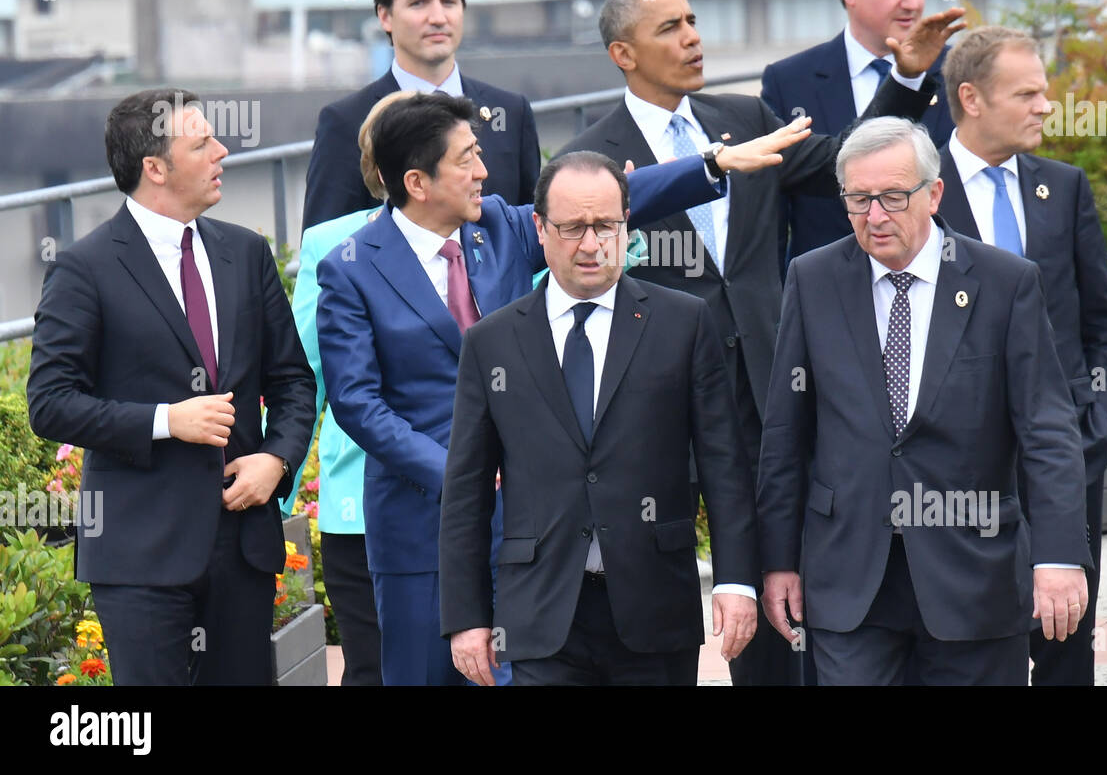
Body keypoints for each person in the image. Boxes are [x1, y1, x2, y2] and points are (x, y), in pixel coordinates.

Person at [315, 91, 808, 685]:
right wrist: (460, 471)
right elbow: (357, 402)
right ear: (417, 182)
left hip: (536, 530)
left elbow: (590, 206)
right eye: (467, 158)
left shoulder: (497, 225)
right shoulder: (351, 265)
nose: (484, 171)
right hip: (422, 523)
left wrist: (710, 165)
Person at [560, 0, 957, 686]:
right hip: (662, 410)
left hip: (774, 386)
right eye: (669, 28)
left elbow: (848, 158)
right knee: (676, 593)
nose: (693, 37)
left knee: (789, 575)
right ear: (623, 52)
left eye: (693, 20)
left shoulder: (744, 117)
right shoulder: (593, 157)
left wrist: (906, 77)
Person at [757, 116, 1093, 686]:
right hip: (849, 579)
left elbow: (1047, 429)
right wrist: (779, 561)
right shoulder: (812, 280)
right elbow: (787, 433)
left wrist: (1058, 556)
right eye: (858, 199)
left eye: (892, 196)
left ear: (934, 194)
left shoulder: (1005, 283)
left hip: (973, 577)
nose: (875, 216)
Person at [27, 88, 317, 685]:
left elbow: (292, 380)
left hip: (242, 546)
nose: (222, 151)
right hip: (140, 554)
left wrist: (277, 460)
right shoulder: (85, 269)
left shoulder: (247, 252)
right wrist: (166, 419)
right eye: (201, 143)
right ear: (154, 169)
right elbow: (50, 402)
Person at [440, 151, 760, 686]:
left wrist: (736, 582)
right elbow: (467, 488)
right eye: (572, 228)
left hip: (655, 606)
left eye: (606, 226)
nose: (591, 245)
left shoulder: (683, 323)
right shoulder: (491, 342)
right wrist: (467, 617)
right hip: (541, 612)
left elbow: (723, 464)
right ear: (539, 228)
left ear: (626, 225)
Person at [935, 25, 1107, 685]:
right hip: (956, 469)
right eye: (1028, 93)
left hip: (1065, 456)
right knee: (968, 639)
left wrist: (1096, 429)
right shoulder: (917, 196)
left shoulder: (1064, 187)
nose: (1046, 105)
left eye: (1045, 92)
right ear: (973, 98)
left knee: (1066, 638)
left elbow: (1103, 322)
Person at [283, 89, 415, 685]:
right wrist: (273, 497)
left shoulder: (489, 237)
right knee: (375, 668)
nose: (481, 167)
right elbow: (303, 376)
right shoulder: (331, 244)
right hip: (361, 503)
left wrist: (625, 230)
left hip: (477, 500)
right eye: (464, 153)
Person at [302, 0, 541, 232]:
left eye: (449, 1)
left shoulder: (510, 111)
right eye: (419, 3)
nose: (438, 17)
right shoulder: (346, 121)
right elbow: (326, 243)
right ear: (385, 16)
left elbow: (536, 233)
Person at [762, 0, 961, 265]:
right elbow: (773, 216)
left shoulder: (957, 72)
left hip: (944, 293)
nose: (913, 2)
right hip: (831, 300)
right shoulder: (789, 82)